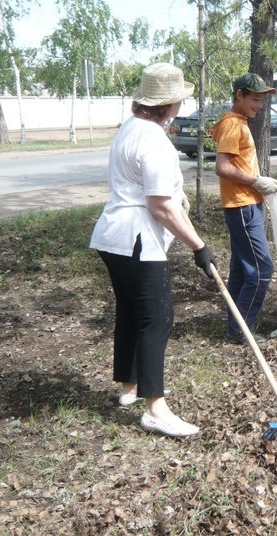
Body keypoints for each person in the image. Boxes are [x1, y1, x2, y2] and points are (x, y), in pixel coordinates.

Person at [90, 62, 217, 438]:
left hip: (112, 237)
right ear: (171, 103)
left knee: (131, 311)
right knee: (157, 317)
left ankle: (130, 386)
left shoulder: (131, 128)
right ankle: (155, 408)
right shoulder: (155, 140)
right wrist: (199, 246)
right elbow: (160, 206)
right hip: (136, 240)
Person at [212, 72, 277, 344]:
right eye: (255, 99)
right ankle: (242, 329)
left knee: (243, 269)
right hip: (241, 206)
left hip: (246, 204)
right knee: (261, 269)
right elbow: (222, 167)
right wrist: (256, 180)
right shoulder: (233, 125)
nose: (260, 105)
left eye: (262, 100)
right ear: (239, 95)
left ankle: (235, 326)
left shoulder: (238, 122)